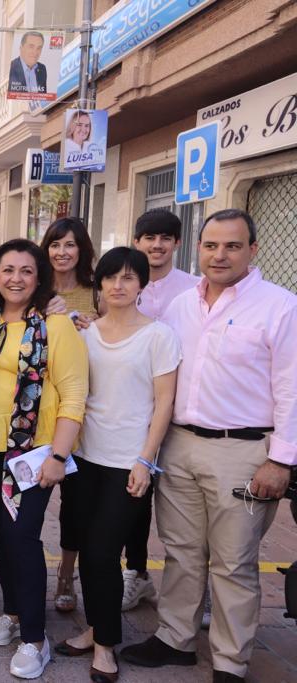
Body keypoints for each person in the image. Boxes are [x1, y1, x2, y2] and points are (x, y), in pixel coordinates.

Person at [121, 209, 297, 682]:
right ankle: (175, 639)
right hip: (179, 446)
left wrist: (281, 460)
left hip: (242, 451)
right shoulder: (181, 305)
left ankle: (229, 661)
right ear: (198, 248)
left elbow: (292, 387)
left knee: (234, 561)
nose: (220, 255)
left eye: (232, 246)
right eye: (212, 245)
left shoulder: (280, 307)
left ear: (252, 250)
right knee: (181, 551)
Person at [57, 247, 180, 682]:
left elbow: (164, 403)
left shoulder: (159, 336)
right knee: (87, 549)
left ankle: (106, 648)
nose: (118, 285)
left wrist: (146, 460)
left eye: (128, 278)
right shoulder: (85, 334)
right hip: (83, 459)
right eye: (110, 277)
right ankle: (96, 628)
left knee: (103, 552)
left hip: (128, 462)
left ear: (142, 284)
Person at [0, 239, 87, 680]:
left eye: (26, 270)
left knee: (23, 538)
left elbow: (74, 395)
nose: (16, 278)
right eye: (8, 270)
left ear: (39, 277)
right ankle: (14, 612)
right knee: (4, 537)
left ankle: (35, 640)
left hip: (34, 452)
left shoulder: (56, 326)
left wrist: (59, 454)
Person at [122, 209, 199, 611]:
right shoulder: (123, 283)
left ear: (177, 243)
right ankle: (136, 574)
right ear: (136, 241)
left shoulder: (194, 290)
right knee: (135, 499)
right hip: (132, 412)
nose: (157, 245)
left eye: (165, 238)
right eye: (149, 237)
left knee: (185, 509)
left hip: (179, 412)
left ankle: (195, 589)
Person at [38, 217, 95, 612]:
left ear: (82, 250)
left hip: (83, 416)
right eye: (55, 244)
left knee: (76, 505)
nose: (62, 252)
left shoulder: (97, 293)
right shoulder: (35, 291)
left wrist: (99, 326)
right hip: (38, 415)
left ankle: (66, 575)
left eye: (70, 244)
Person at [9, 31, 48, 96]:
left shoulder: (42, 69)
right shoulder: (12, 67)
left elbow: (43, 96)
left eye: (39, 48)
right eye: (31, 47)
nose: (35, 52)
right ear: (21, 48)